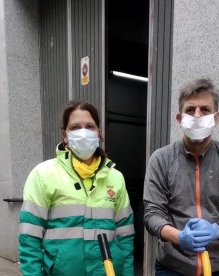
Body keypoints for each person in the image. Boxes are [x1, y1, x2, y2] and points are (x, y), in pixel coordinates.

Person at [143, 78, 219, 276]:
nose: (197, 115)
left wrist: (217, 229)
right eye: (190, 110)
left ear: (216, 117)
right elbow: (152, 214)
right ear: (179, 118)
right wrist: (179, 237)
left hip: (216, 267)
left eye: (205, 110)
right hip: (171, 267)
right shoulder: (161, 159)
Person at [19, 100, 135, 275]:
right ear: (64, 136)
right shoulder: (43, 175)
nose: (83, 133)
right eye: (75, 128)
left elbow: (125, 236)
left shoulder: (115, 178)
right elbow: (29, 240)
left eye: (90, 126)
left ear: (99, 133)